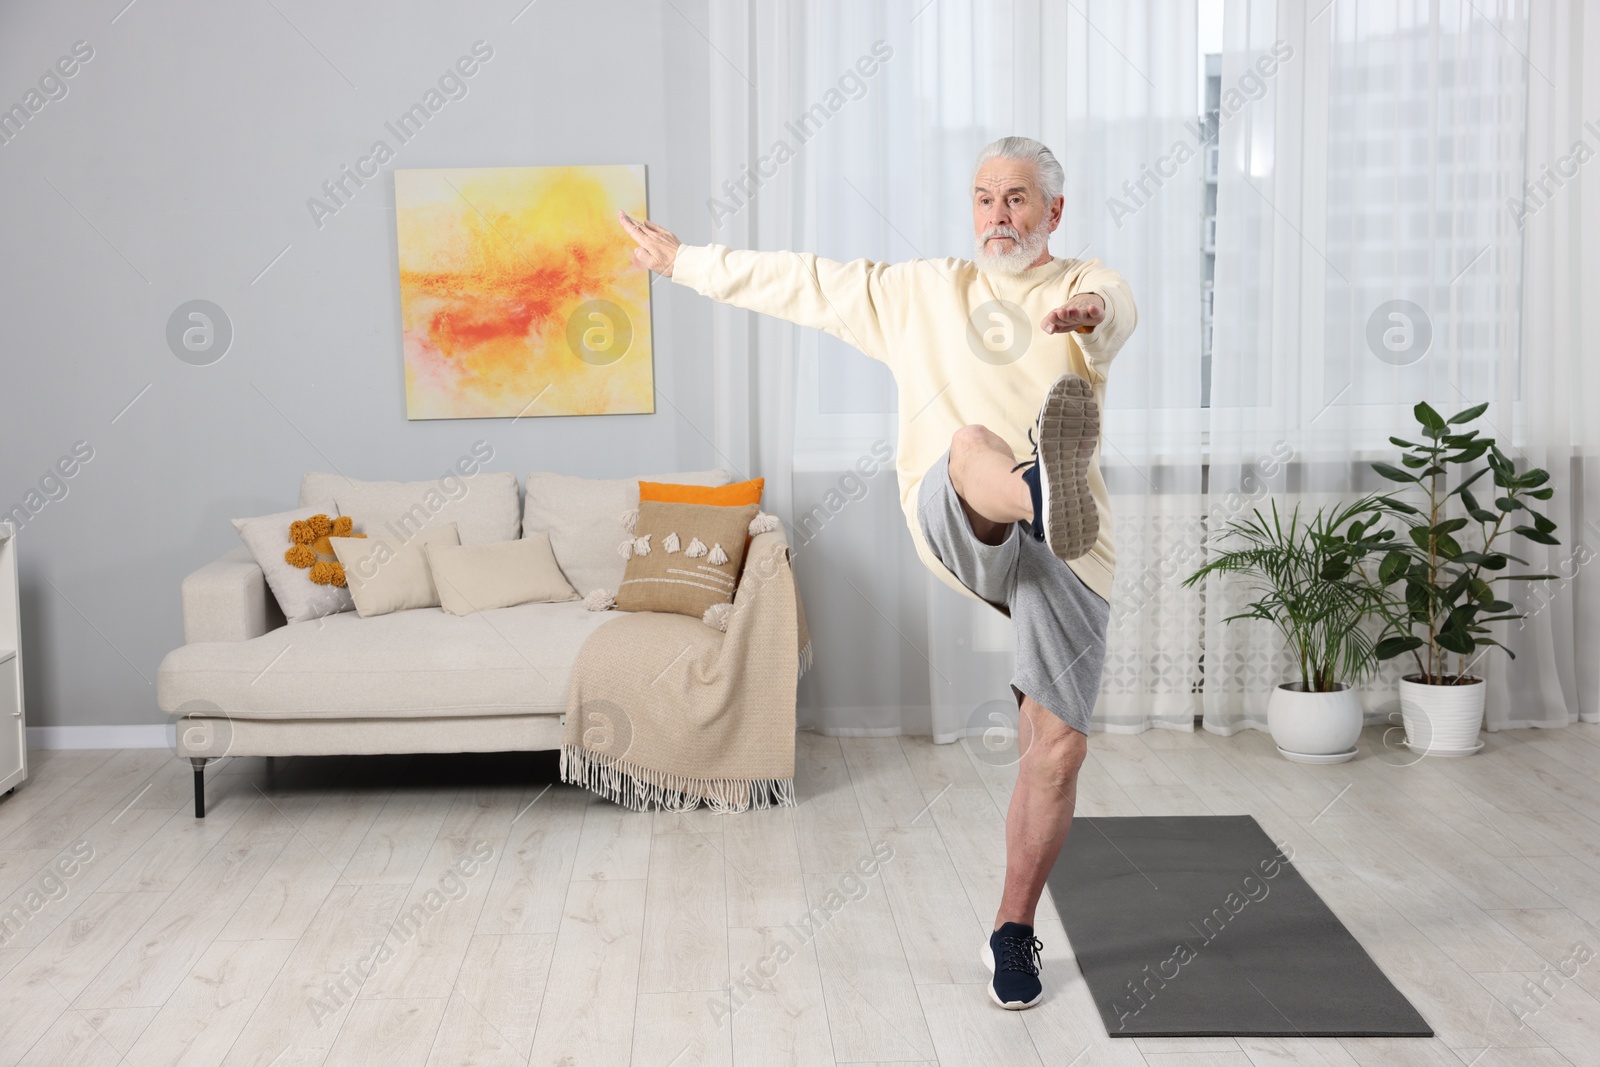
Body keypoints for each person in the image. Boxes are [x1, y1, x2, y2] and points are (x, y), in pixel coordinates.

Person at [619, 135, 1136, 1010]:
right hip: (959, 512)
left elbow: (1110, 306)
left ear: (1053, 211)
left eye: (1017, 198)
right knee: (972, 441)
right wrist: (683, 263)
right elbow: (802, 283)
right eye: (983, 197)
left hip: (1068, 549)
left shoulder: (1085, 283)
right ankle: (1031, 488)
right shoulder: (922, 293)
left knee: (1056, 750)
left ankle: (1013, 931)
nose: (997, 214)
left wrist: (1083, 313)